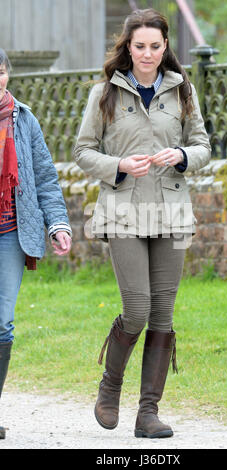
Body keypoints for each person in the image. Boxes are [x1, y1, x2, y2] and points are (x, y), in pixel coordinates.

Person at [75, 8, 211, 439]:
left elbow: (203, 144)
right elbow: (82, 151)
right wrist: (118, 164)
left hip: (171, 213)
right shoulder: (104, 94)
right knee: (137, 308)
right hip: (123, 212)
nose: (148, 54)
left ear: (165, 46)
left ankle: (148, 413)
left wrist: (184, 156)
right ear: (127, 47)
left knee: (163, 316)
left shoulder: (182, 90)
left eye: (155, 46)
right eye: (140, 47)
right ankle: (109, 386)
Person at [0, 49, 72, 440]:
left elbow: (45, 177)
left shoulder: (23, 119)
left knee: (2, 322)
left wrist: (57, 223)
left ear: (7, 74)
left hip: (11, 232)